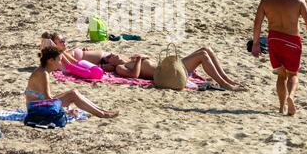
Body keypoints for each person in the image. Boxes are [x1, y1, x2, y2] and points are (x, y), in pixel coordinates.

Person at [252, 0, 307, 116]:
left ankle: (281, 107)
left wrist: (256, 43)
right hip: (292, 41)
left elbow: (257, 23)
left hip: (274, 40)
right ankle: (291, 97)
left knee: (281, 75)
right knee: (293, 74)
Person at [25, 47, 119, 118]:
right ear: (51, 60)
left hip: (37, 105)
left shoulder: (43, 70)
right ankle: (102, 114)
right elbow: (48, 99)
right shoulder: (43, 73)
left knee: (74, 92)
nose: (61, 63)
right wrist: (66, 111)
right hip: (36, 109)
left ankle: (103, 111)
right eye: (59, 60)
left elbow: (46, 98)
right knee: (73, 94)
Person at [100, 49, 246, 91]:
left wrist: (141, 57)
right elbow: (134, 76)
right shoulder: (120, 67)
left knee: (206, 49)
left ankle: (228, 80)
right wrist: (140, 59)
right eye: (109, 57)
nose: (112, 54)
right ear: (109, 63)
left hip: (171, 68)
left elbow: (150, 61)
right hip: (168, 74)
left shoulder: (130, 58)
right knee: (202, 55)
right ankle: (224, 84)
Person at [40, 32, 110, 67]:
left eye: (64, 40)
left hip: (105, 57)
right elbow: (75, 63)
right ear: (54, 45)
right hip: (103, 61)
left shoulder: (65, 52)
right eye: (61, 41)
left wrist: (83, 51)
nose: (64, 42)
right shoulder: (60, 56)